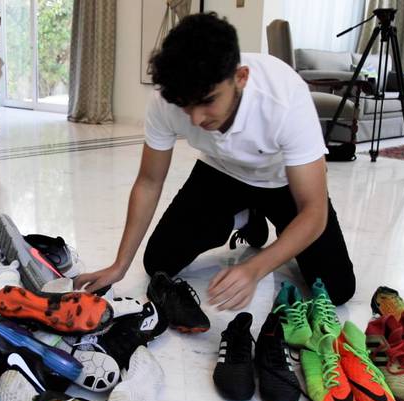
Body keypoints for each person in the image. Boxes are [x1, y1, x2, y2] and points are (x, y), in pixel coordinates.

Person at [74, 12, 355, 310]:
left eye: (208, 100)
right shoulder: (166, 100)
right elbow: (149, 182)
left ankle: (272, 220)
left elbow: (314, 210)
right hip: (221, 171)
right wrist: (119, 266)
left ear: (241, 77)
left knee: (337, 288)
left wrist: (256, 268)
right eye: (186, 105)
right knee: (159, 262)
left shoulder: (285, 98)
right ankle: (243, 217)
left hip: (281, 181)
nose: (196, 119)